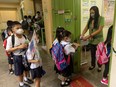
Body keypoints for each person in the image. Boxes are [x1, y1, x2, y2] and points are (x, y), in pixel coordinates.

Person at [6, 21, 33, 87]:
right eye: (17, 28)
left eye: (20, 27)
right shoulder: (10, 39)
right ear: (13, 30)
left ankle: (25, 78)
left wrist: (29, 44)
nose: (20, 29)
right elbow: (8, 50)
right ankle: (21, 83)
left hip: (25, 56)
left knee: (26, 68)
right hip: (17, 57)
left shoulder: (24, 36)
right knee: (19, 71)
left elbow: (27, 43)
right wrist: (18, 47)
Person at [80, 6, 105, 72]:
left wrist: (88, 36)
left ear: (96, 12)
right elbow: (86, 28)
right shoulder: (90, 19)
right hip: (92, 41)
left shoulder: (101, 19)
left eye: (93, 12)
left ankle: (99, 66)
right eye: (90, 13)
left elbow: (99, 30)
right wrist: (82, 34)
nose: (92, 14)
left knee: (99, 55)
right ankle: (93, 65)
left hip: (99, 40)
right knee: (92, 54)